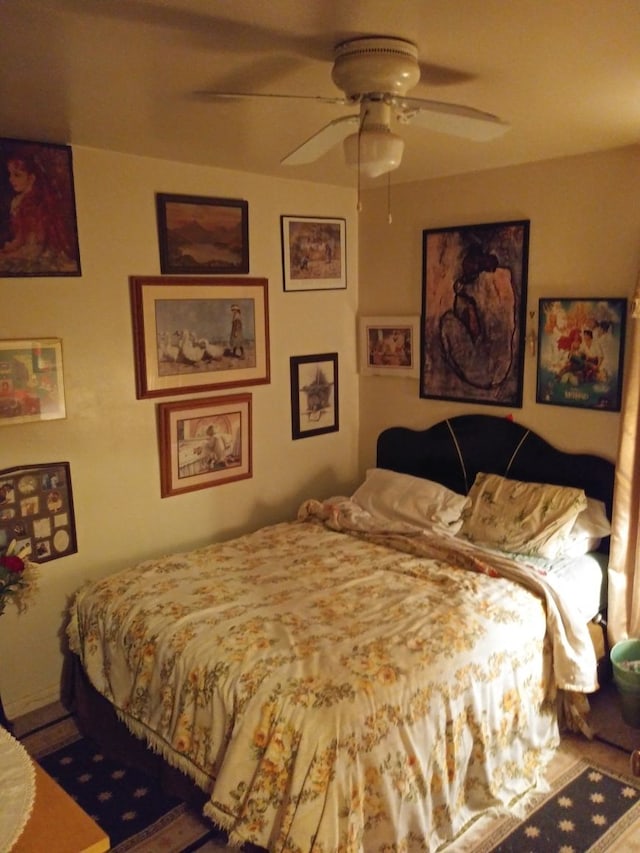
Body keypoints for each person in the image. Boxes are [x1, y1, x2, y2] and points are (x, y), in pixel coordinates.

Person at [0, 148, 77, 273]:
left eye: (17, 175)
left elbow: (34, 249)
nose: (11, 179)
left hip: (41, 256)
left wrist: (7, 255)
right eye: (10, 174)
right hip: (27, 252)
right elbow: (20, 239)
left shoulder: (36, 205)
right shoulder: (18, 202)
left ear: (31, 178)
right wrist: (8, 249)